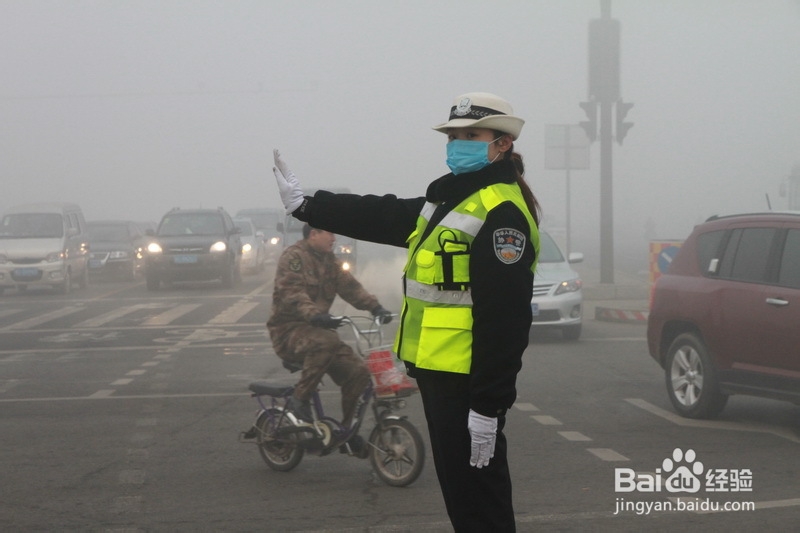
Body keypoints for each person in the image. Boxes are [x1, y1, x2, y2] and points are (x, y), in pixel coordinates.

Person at [271, 92, 541, 532]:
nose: (459, 143)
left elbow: (506, 321)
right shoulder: (449, 200)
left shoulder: (501, 213)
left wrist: (489, 406)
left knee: (481, 500)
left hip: (468, 382)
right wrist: (308, 206)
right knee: (462, 497)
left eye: (472, 135)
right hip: (438, 374)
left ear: (503, 143)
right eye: (454, 135)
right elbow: (382, 213)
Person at [266, 222, 393, 434]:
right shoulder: (294, 258)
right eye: (330, 233)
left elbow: (351, 288)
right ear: (313, 234)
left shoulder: (330, 262)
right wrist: (315, 315)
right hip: (288, 332)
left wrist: (376, 307)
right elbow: (293, 294)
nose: (334, 238)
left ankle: (347, 431)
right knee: (327, 341)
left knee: (359, 372)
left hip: (318, 332)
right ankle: (300, 398)